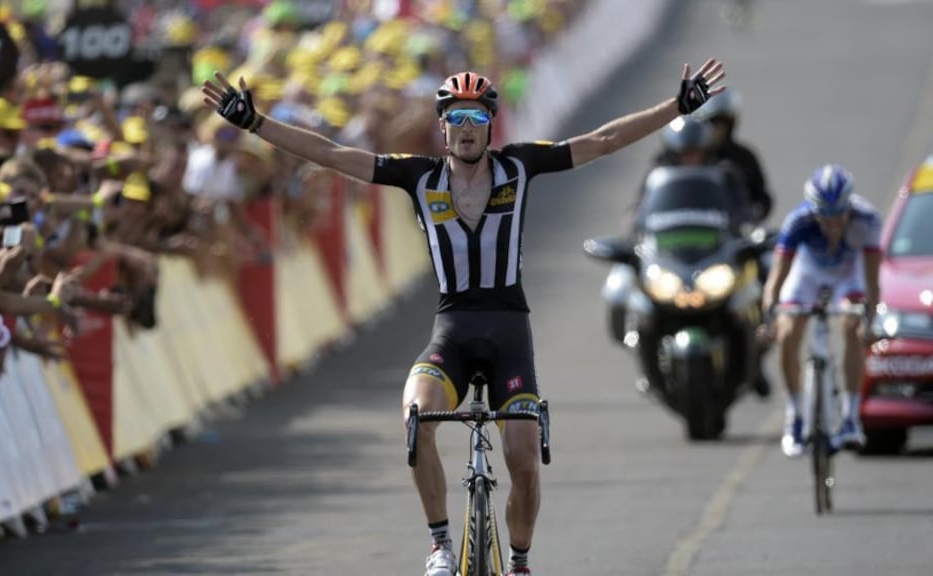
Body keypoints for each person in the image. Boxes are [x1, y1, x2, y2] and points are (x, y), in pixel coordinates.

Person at [203, 59, 726, 576]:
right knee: (416, 418)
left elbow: (604, 140)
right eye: (457, 117)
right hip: (452, 331)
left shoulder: (520, 165)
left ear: (491, 124)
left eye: (477, 117)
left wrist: (677, 107)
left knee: (523, 458)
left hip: (509, 334)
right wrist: (255, 123)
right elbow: (331, 154)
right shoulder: (417, 176)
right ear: (443, 125)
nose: (467, 127)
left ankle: (519, 562)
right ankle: (440, 545)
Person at [761, 165, 881, 458]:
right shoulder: (798, 221)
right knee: (788, 332)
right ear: (813, 211)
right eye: (824, 218)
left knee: (852, 326)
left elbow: (872, 280)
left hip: (847, 275)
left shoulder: (867, 220)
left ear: (849, 207)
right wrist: (769, 318)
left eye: (839, 216)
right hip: (808, 274)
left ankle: (850, 418)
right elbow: (776, 279)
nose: (833, 225)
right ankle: (795, 416)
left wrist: (869, 320)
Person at [695, 88, 772, 224]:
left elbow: (762, 198)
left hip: (732, 230)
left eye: (721, 126)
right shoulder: (689, 155)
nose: (717, 131)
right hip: (693, 226)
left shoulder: (744, 157)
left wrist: (753, 215)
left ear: (730, 127)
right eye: (712, 125)